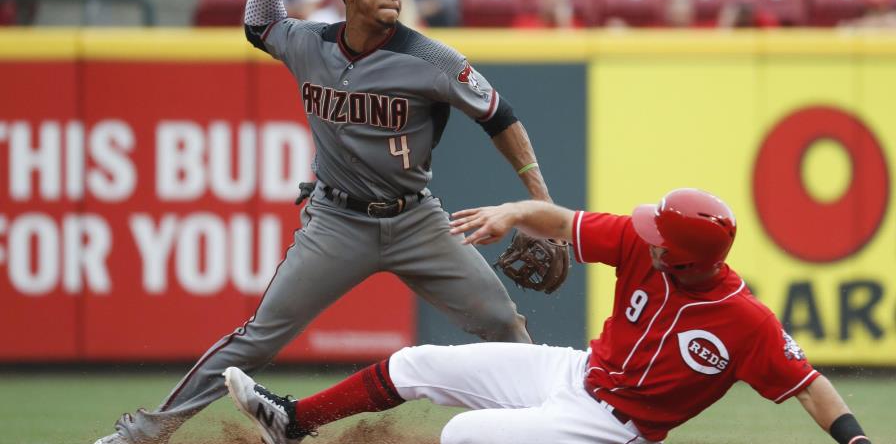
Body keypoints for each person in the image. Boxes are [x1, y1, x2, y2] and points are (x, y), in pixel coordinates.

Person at [93, 0, 556, 443]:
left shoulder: (431, 58)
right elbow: (258, 24)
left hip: (416, 221)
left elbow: (500, 117)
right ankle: (143, 435)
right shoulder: (309, 42)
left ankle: (551, 428)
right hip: (338, 221)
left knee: (504, 326)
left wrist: (542, 205)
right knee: (255, 339)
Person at [223, 188, 874, 444]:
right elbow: (559, 221)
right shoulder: (643, 243)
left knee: (461, 438)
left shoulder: (746, 323)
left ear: (682, 258)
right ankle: (295, 423)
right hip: (578, 374)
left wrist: (857, 442)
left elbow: (809, 386)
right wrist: (511, 213)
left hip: (612, 429)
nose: (643, 235)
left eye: (658, 237)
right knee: (418, 364)